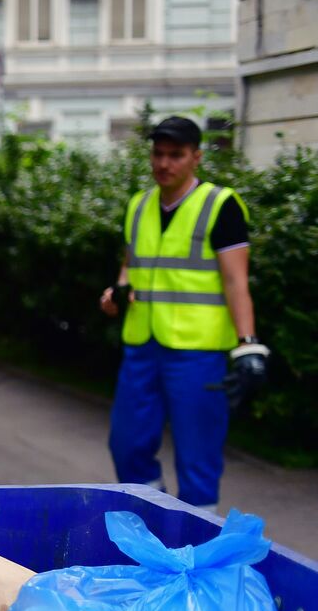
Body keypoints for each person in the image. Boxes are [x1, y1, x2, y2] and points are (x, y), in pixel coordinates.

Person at [99, 116, 269, 511]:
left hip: (198, 353)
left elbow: (235, 281)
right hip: (142, 346)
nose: (164, 164)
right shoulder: (138, 205)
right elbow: (132, 265)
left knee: (197, 459)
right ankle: (155, 521)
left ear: (196, 157)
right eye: (158, 154)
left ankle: (195, 554)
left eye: (176, 155)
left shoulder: (220, 206)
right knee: (126, 445)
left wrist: (248, 346)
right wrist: (117, 290)